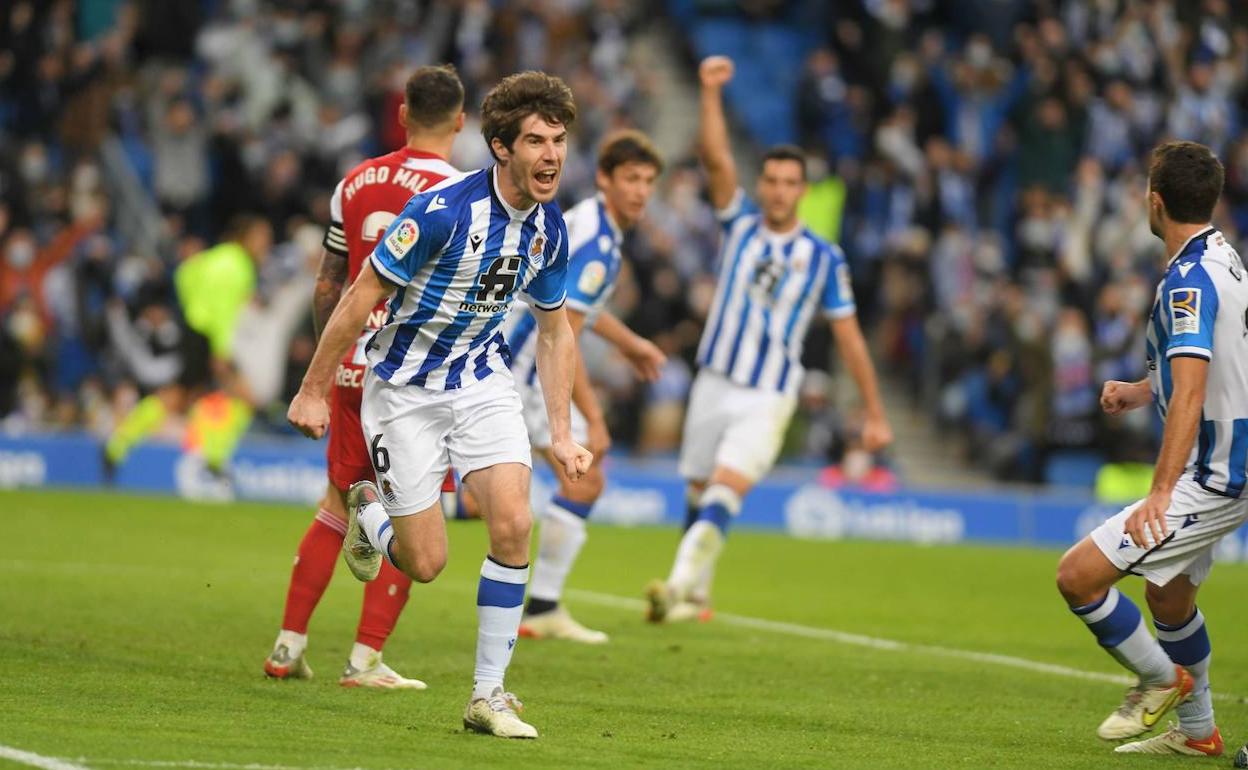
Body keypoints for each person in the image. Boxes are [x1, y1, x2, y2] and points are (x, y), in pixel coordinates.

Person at [286, 70, 590, 740]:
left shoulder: (550, 228)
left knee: (513, 525)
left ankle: (489, 696)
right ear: (501, 148)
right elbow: (358, 294)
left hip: (481, 385)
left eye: (559, 140)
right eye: (536, 140)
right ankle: (369, 514)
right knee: (425, 563)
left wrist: (561, 433)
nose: (552, 155)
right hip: (403, 392)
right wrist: (312, 387)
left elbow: (553, 329)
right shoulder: (442, 211)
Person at [645, 56, 893, 622]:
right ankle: (698, 596)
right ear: (762, 184)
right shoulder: (739, 225)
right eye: (772, 181)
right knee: (698, 489)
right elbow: (714, 157)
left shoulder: (824, 259)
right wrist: (709, 92)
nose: (779, 191)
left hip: (769, 392)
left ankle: (678, 585)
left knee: (726, 487)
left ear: (803, 191)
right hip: (713, 379)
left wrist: (875, 410)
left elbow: (850, 337)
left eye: (790, 183)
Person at [264, 64, 464, 689]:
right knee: (418, 509)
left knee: (332, 504)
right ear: (461, 121)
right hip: (411, 374)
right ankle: (365, 659)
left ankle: (287, 646)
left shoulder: (355, 181)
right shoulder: (457, 191)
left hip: (349, 366)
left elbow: (331, 281)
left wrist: (327, 368)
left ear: (402, 114)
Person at [1055, 140, 1248, 757]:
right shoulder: (1226, 260)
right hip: (1227, 460)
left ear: (1154, 202)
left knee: (1079, 577)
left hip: (1217, 473)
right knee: (1167, 597)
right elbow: (1216, 368)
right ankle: (1198, 735)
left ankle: (1160, 679)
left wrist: (1161, 492)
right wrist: (1142, 391)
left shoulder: (1189, 279)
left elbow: (1192, 390)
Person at [494, 129, 667, 643]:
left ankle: (389, 510)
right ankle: (543, 606)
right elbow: (564, 333)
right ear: (603, 179)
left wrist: (628, 340)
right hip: (526, 373)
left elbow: (577, 310)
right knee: (582, 480)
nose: (640, 191)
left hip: (514, 363)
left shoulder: (589, 223)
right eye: (630, 179)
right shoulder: (597, 243)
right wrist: (592, 418)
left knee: (496, 498)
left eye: (648, 182)